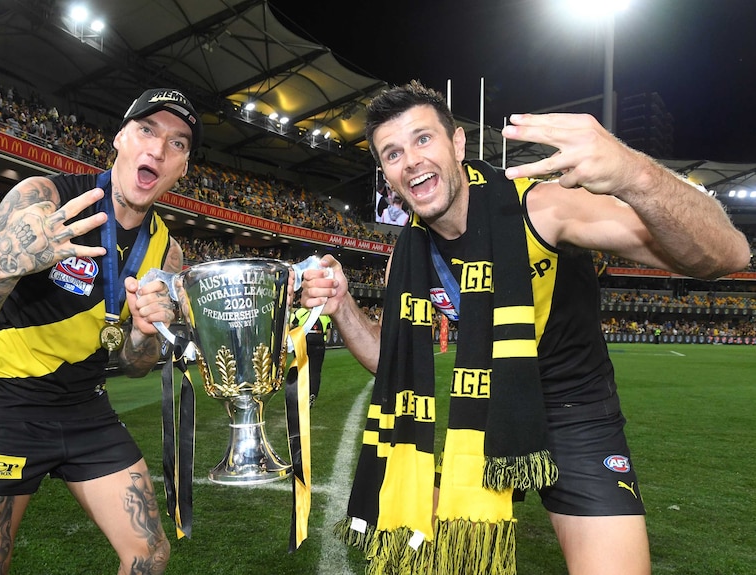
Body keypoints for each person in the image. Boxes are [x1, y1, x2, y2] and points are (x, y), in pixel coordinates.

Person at [299, 81, 750, 575]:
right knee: (428, 563)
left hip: (575, 413)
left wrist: (633, 173)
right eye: (392, 153)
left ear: (458, 144)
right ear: (386, 171)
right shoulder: (407, 259)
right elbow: (393, 362)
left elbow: (726, 255)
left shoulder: (543, 207)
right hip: (484, 416)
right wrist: (342, 306)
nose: (410, 160)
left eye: (423, 139)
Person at [0, 87, 204, 575]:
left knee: (149, 557)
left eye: (178, 143)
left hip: (86, 408)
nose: (159, 149)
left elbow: (134, 365)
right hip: (6, 402)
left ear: (182, 169)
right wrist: (9, 260)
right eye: (147, 130)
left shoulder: (167, 253)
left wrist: (145, 334)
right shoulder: (43, 197)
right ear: (120, 139)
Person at [291, 306, 332, 406]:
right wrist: (324, 342)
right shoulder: (325, 315)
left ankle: (299, 395)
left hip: (302, 342)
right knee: (315, 371)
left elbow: (291, 325)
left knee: (300, 369)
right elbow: (329, 332)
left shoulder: (300, 312)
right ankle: (312, 394)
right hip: (318, 343)